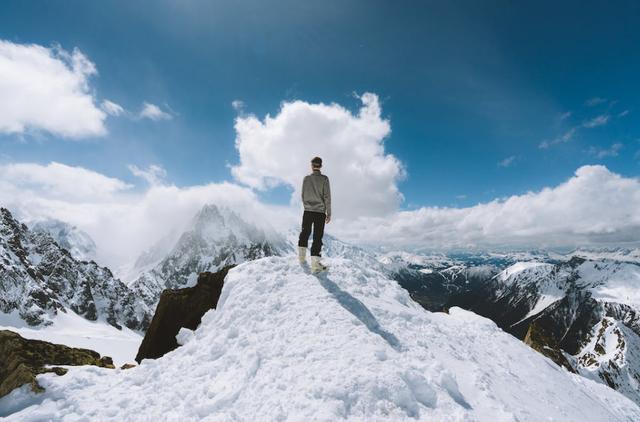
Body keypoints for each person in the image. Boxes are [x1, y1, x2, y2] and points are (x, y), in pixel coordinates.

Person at [298, 156, 331, 273]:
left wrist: (307, 206)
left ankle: (301, 259)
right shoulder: (325, 179)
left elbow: (303, 195)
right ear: (321, 166)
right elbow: (327, 197)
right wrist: (329, 213)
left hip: (307, 211)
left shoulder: (306, 179)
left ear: (312, 166)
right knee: (317, 237)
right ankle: (315, 265)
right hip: (320, 212)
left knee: (305, 232)